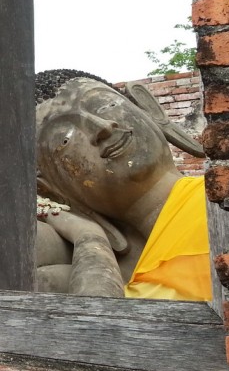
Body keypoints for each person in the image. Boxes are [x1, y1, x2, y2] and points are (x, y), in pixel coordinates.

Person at [35, 70, 211, 302]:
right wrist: (89, 237)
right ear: (51, 188)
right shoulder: (115, 277)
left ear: (150, 109)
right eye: (64, 139)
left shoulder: (227, 205)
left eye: (105, 105)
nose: (102, 127)